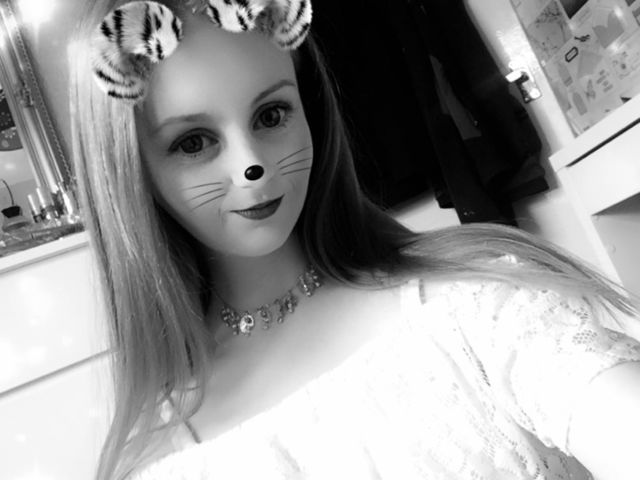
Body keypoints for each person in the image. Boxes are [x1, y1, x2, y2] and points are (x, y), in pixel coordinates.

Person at [69, 1, 640, 479]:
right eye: (193, 142)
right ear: (133, 176)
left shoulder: (473, 307)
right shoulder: (158, 458)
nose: (250, 165)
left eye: (271, 115)